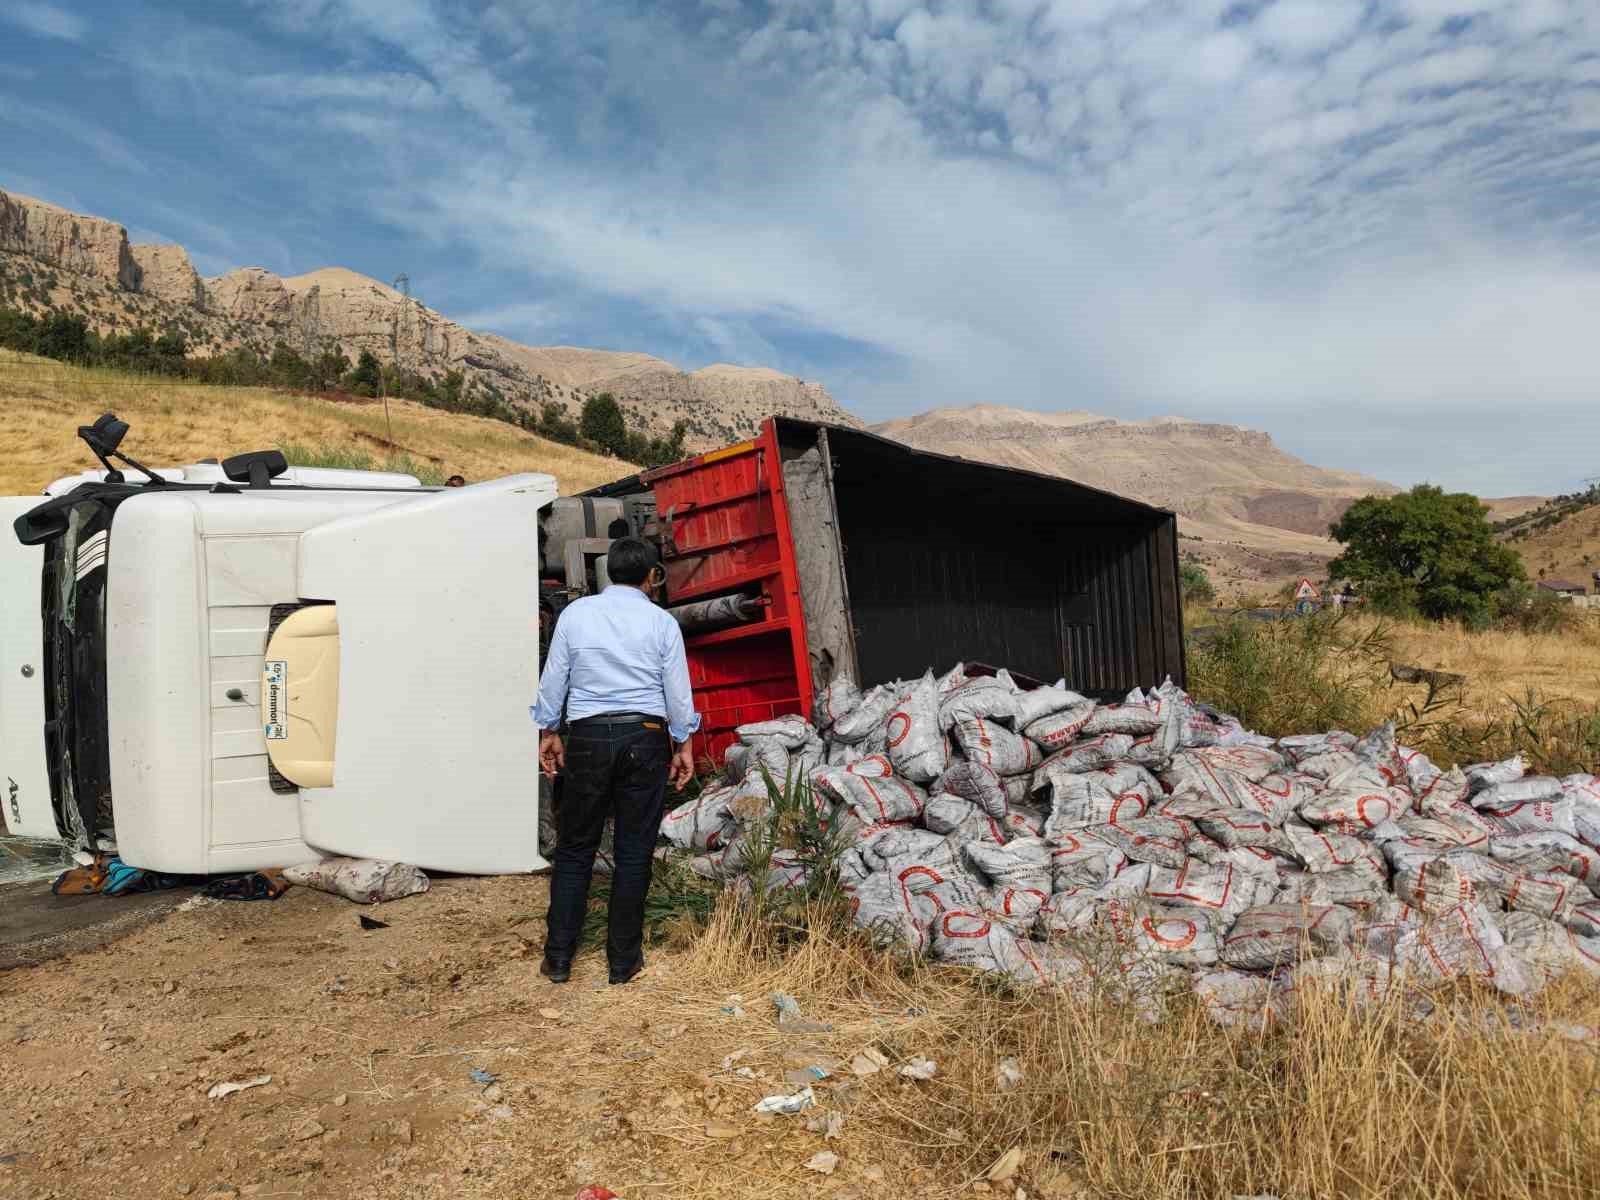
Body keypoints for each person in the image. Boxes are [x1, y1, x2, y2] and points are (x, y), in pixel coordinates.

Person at [529, 537, 699, 985]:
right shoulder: (661, 622)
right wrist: (683, 743)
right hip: (644, 737)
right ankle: (623, 963)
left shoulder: (575, 615)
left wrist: (548, 731)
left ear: (608, 575)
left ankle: (559, 958)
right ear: (650, 577)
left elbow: (553, 679)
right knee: (633, 851)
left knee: (575, 848)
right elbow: (677, 694)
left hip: (587, 736)